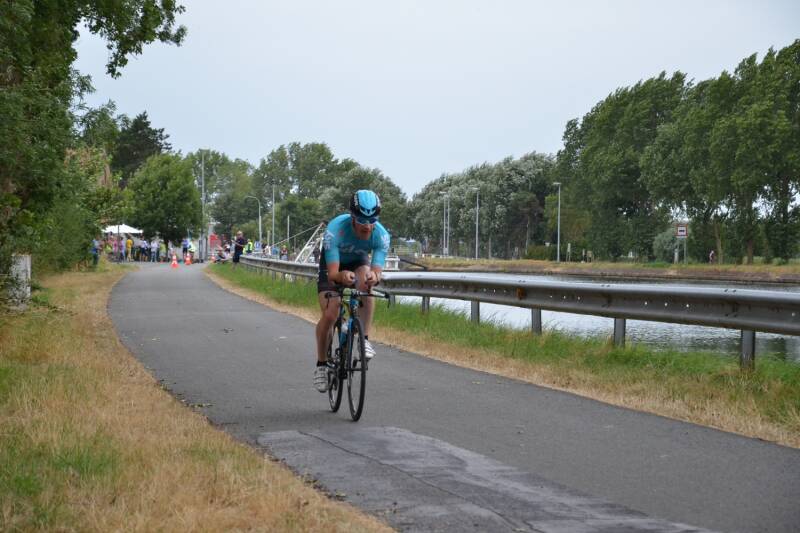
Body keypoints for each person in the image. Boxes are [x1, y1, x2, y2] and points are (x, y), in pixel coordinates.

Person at [313, 189, 390, 392]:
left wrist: (374, 276)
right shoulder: (335, 230)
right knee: (331, 313)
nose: (367, 226)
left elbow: (376, 269)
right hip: (333, 266)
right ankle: (321, 364)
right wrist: (341, 276)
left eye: (372, 220)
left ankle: (363, 339)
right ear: (352, 217)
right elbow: (332, 274)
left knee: (366, 282)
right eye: (362, 220)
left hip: (358, 262)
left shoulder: (381, 235)